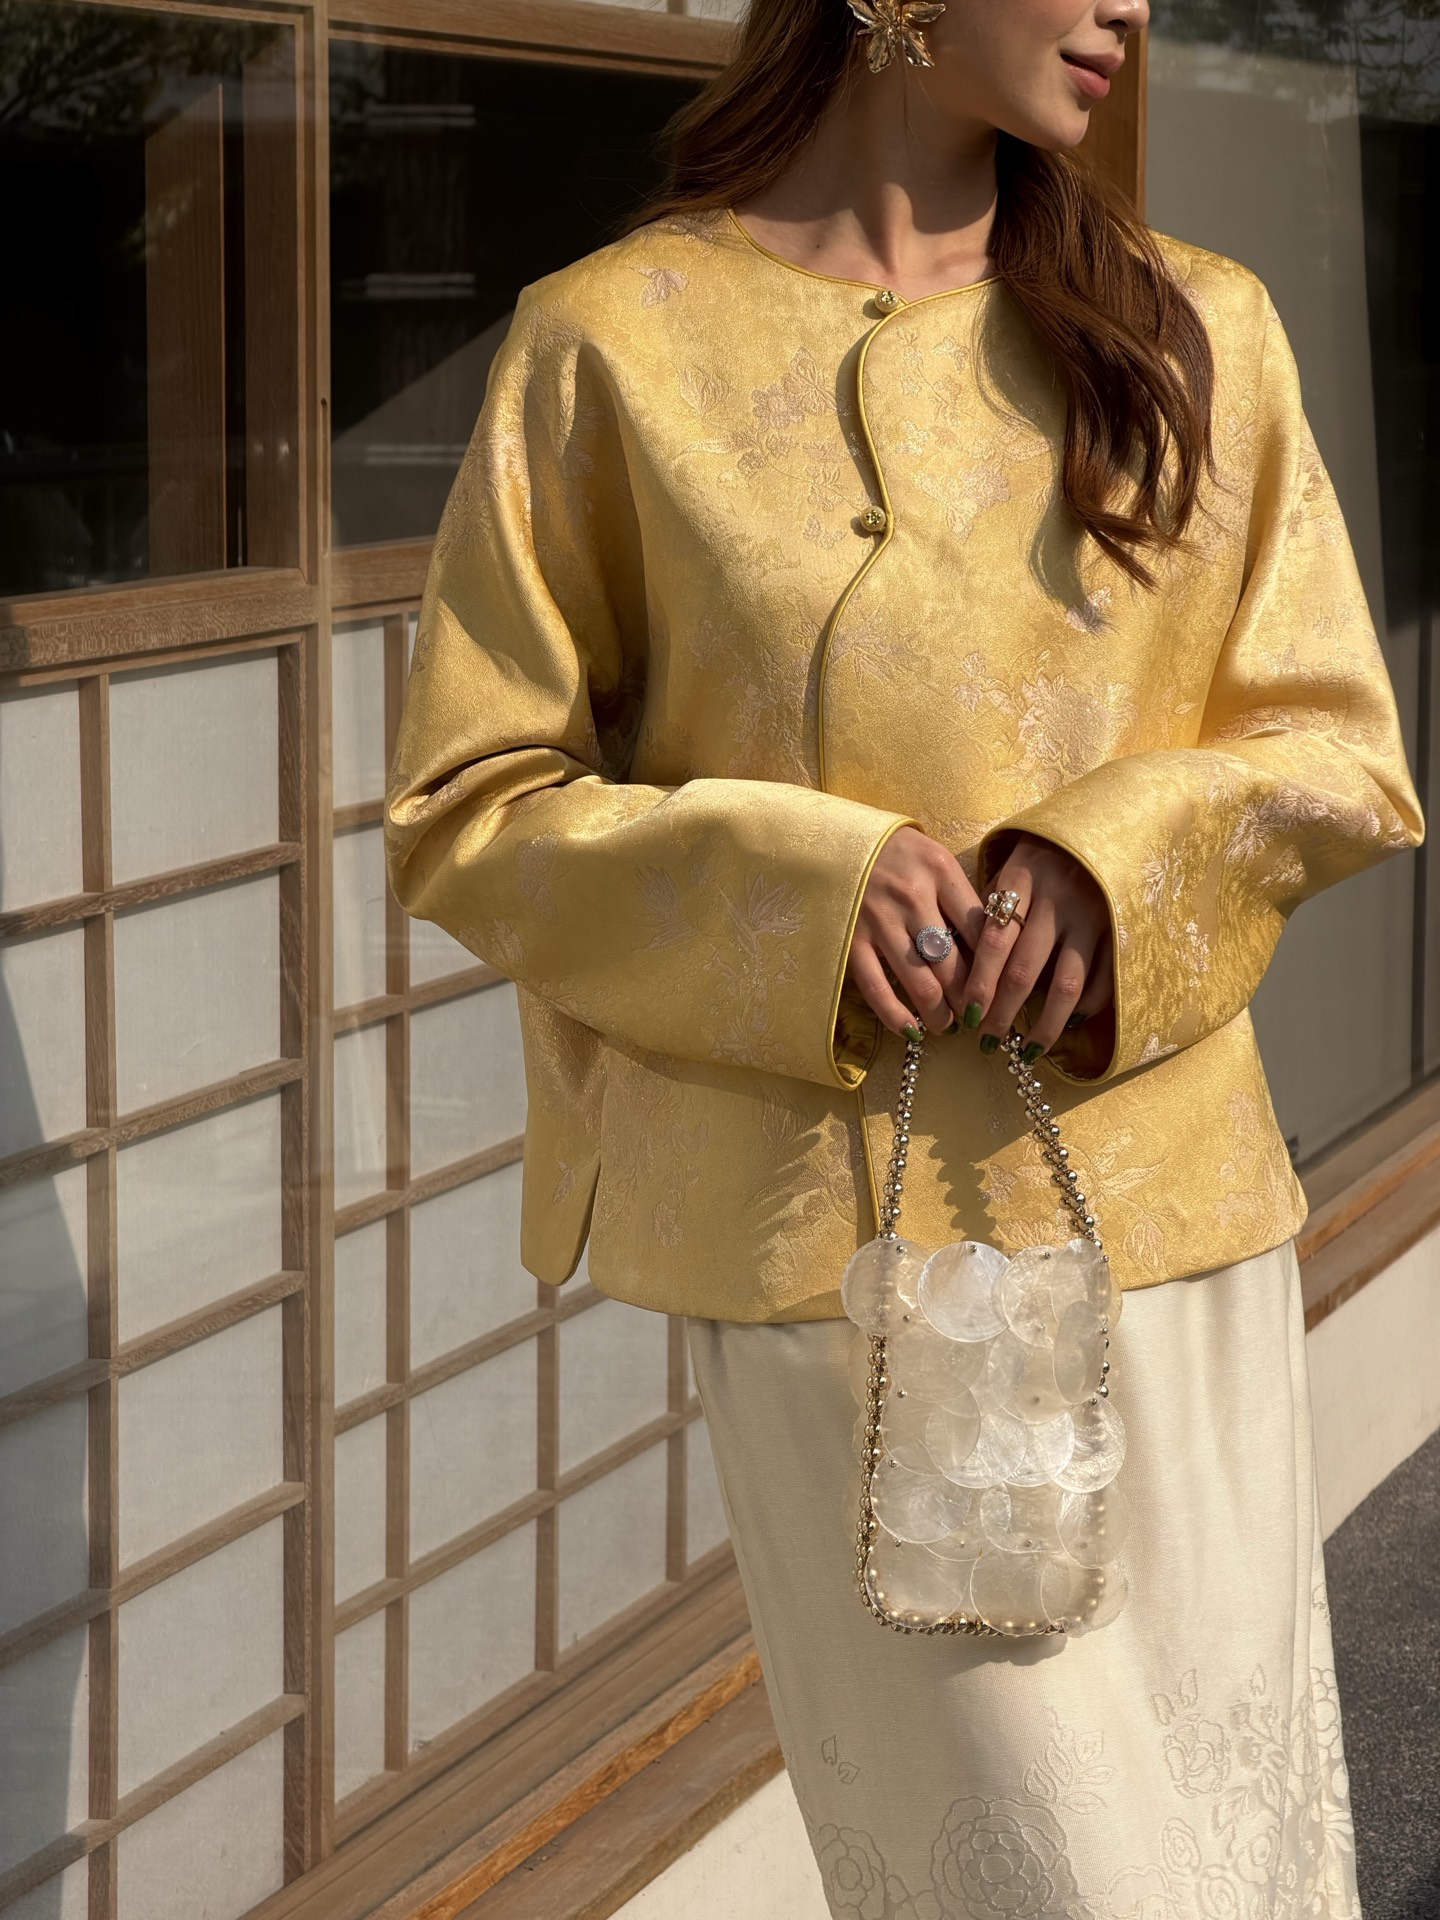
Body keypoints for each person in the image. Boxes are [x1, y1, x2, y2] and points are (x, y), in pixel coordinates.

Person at [385, 1, 1423, 1911]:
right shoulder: (611, 344)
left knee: (1237, 1856)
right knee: (1035, 1874)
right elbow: (471, 804)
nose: (1126, 9)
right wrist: (799, 889)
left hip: (1173, 1230)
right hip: (842, 1276)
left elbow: (1339, 754)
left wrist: (1114, 869)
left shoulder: (1201, 329)